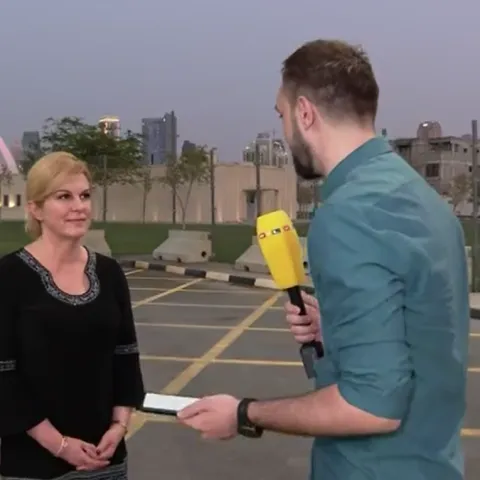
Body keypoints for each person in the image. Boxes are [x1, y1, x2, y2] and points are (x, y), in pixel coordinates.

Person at [177, 39, 470, 479]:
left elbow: (370, 408)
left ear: (305, 113)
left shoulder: (348, 214)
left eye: (281, 115)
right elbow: (422, 338)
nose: (283, 130)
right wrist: (335, 332)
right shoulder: (425, 201)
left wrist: (243, 413)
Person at [0, 152, 145, 480]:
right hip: (33, 464)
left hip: (105, 457)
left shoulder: (109, 273)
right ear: (36, 209)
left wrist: (119, 426)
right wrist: (60, 445)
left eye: (85, 195)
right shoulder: (9, 276)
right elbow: (3, 376)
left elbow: (126, 357)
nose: (79, 206)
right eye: (63, 197)